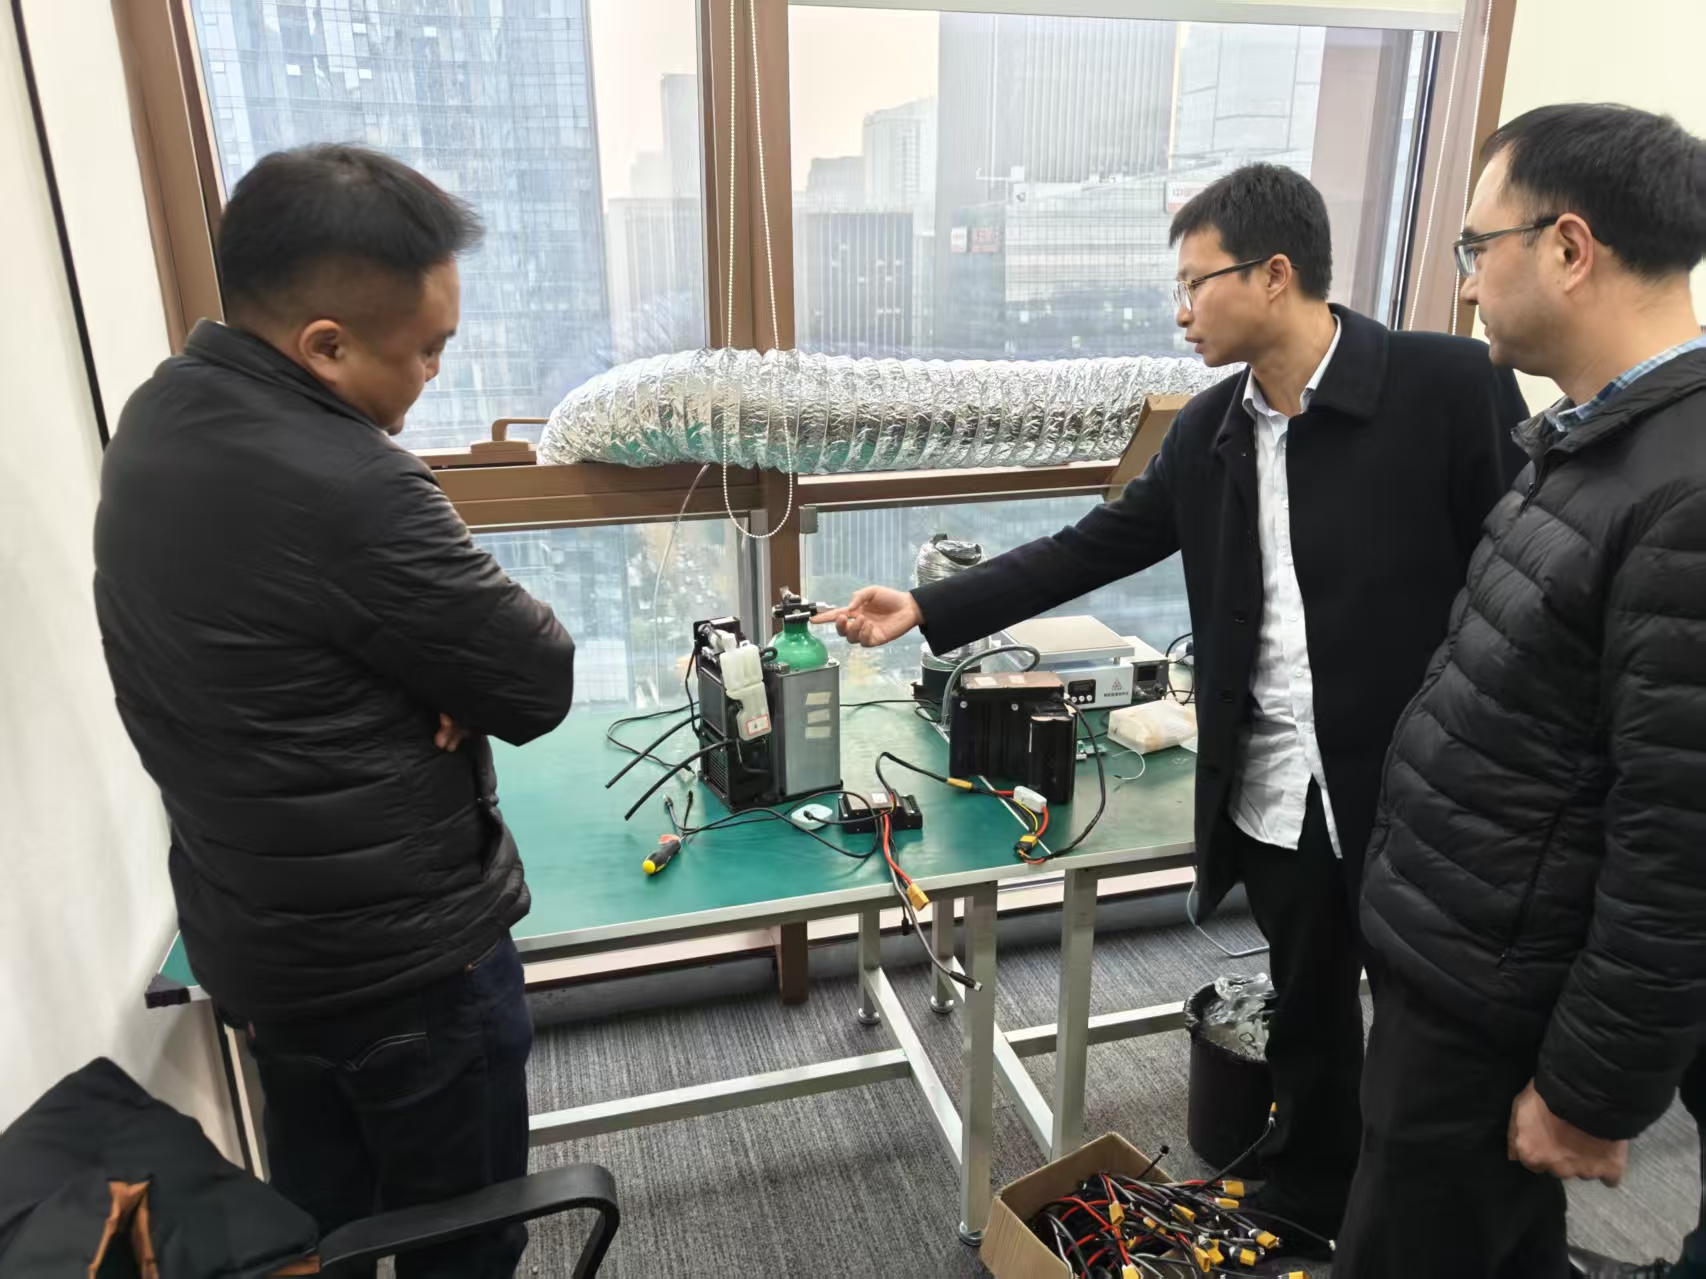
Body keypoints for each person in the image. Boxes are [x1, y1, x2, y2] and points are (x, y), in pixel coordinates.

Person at [817, 163, 1528, 1243]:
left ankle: (1451, 1232)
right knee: (1309, 1008)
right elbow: (1091, 546)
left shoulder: (1447, 385)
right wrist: (926, 605)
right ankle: (1308, 1195)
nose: (1181, 309)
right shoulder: (1209, 432)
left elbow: (1518, 582)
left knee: (1438, 1037)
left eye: (1196, 283)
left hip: (1421, 788)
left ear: (1274, 274)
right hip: (1278, 786)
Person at [94, 145, 577, 1277]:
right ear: (325, 345)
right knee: (463, 1239)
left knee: (326, 1228)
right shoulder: (351, 480)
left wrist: (423, 673)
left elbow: (274, 650)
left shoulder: (161, 417)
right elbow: (534, 679)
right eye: (427, 349)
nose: (435, 374)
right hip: (403, 967)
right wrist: (441, 680)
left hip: (262, 947)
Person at [1344, 103, 1706, 1279]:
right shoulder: (1594, 440)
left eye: (1473, 246)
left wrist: (1591, 1091)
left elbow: (1679, 838)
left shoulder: (1682, 491)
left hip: (1502, 995)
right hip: (1467, 954)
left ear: (1567, 246)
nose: (1463, 285)